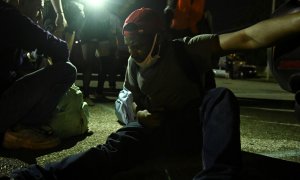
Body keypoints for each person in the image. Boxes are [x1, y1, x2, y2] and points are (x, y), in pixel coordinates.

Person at [5, 6, 300, 180]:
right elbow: (126, 101)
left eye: (139, 38)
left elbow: (248, 37)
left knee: (219, 97)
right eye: (128, 40)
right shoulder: (133, 65)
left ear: (157, 35)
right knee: (110, 150)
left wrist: (293, 20)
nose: (132, 47)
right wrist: (139, 114)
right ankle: (34, 178)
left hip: (194, 127)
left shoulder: (187, 48)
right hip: (158, 129)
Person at [0, 0, 77, 150]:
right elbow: (61, 49)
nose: (40, 16)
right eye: (39, 9)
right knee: (67, 70)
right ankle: (24, 127)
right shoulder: (9, 15)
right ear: (20, 2)